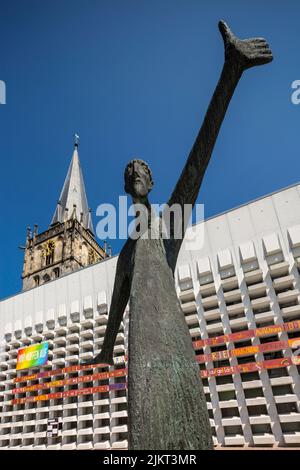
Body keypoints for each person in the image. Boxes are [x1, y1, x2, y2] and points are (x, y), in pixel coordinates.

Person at [88, 21, 273, 450]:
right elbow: (116, 313)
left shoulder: (168, 222)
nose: (137, 173)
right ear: (126, 184)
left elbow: (199, 155)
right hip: (142, 345)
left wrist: (230, 75)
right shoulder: (126, 255)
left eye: (144, 170)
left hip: (172, 335)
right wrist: (104, 352)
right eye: (131, 171)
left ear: (152, 182)